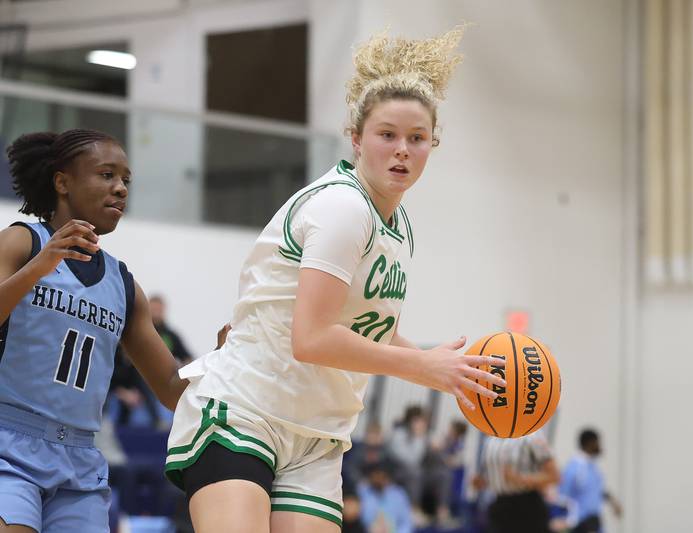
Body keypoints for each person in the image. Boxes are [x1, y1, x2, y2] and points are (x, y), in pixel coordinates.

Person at [164, 25, 505, 533]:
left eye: (416, 138)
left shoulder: (398, 225)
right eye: (387, 135)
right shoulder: (343, 207)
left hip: (319, 435)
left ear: (433, 143)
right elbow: (313, 337)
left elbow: (368, 330)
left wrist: (449, 372)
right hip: (247, 410)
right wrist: (422, 367)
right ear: (356, 139)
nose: (402, 150)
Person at [0, 129, 219, 532]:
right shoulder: (21, 243)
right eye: (106, 175)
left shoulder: (122, 285)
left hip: (80, 458)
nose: (119, 189)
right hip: (8, 445)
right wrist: (39, 268)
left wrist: (224, 361)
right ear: (62, 181)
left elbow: (172, 388)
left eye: (126, 181)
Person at [479, 432, 560, 533]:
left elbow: (554, 476)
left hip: (526, 506)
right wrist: (483, 481)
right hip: (499, 504)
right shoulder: (491, 438)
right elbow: (495, 477)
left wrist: (520, 479)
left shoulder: (533, 435)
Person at [558, 428, 622, 533]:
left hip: (594, 523)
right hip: (580, 524)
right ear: (590, 443)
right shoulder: (575, 468)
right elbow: (562, 496)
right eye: (597, 442)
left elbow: (596, 490)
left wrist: (613, 501)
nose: (600, 446)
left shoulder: (592, 467)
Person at [357, 460, 412, 533]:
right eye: (376, 475)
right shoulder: (362, 491)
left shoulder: (398, 494)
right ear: (370, 476)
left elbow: (406, 523)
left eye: (383, 476)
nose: (379, 479)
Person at [149, 294, 193, 364]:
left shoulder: (171, 336)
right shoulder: (139, 334)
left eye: (158, 309)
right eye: (153, 309)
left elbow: (187, 358)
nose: (156, 313)